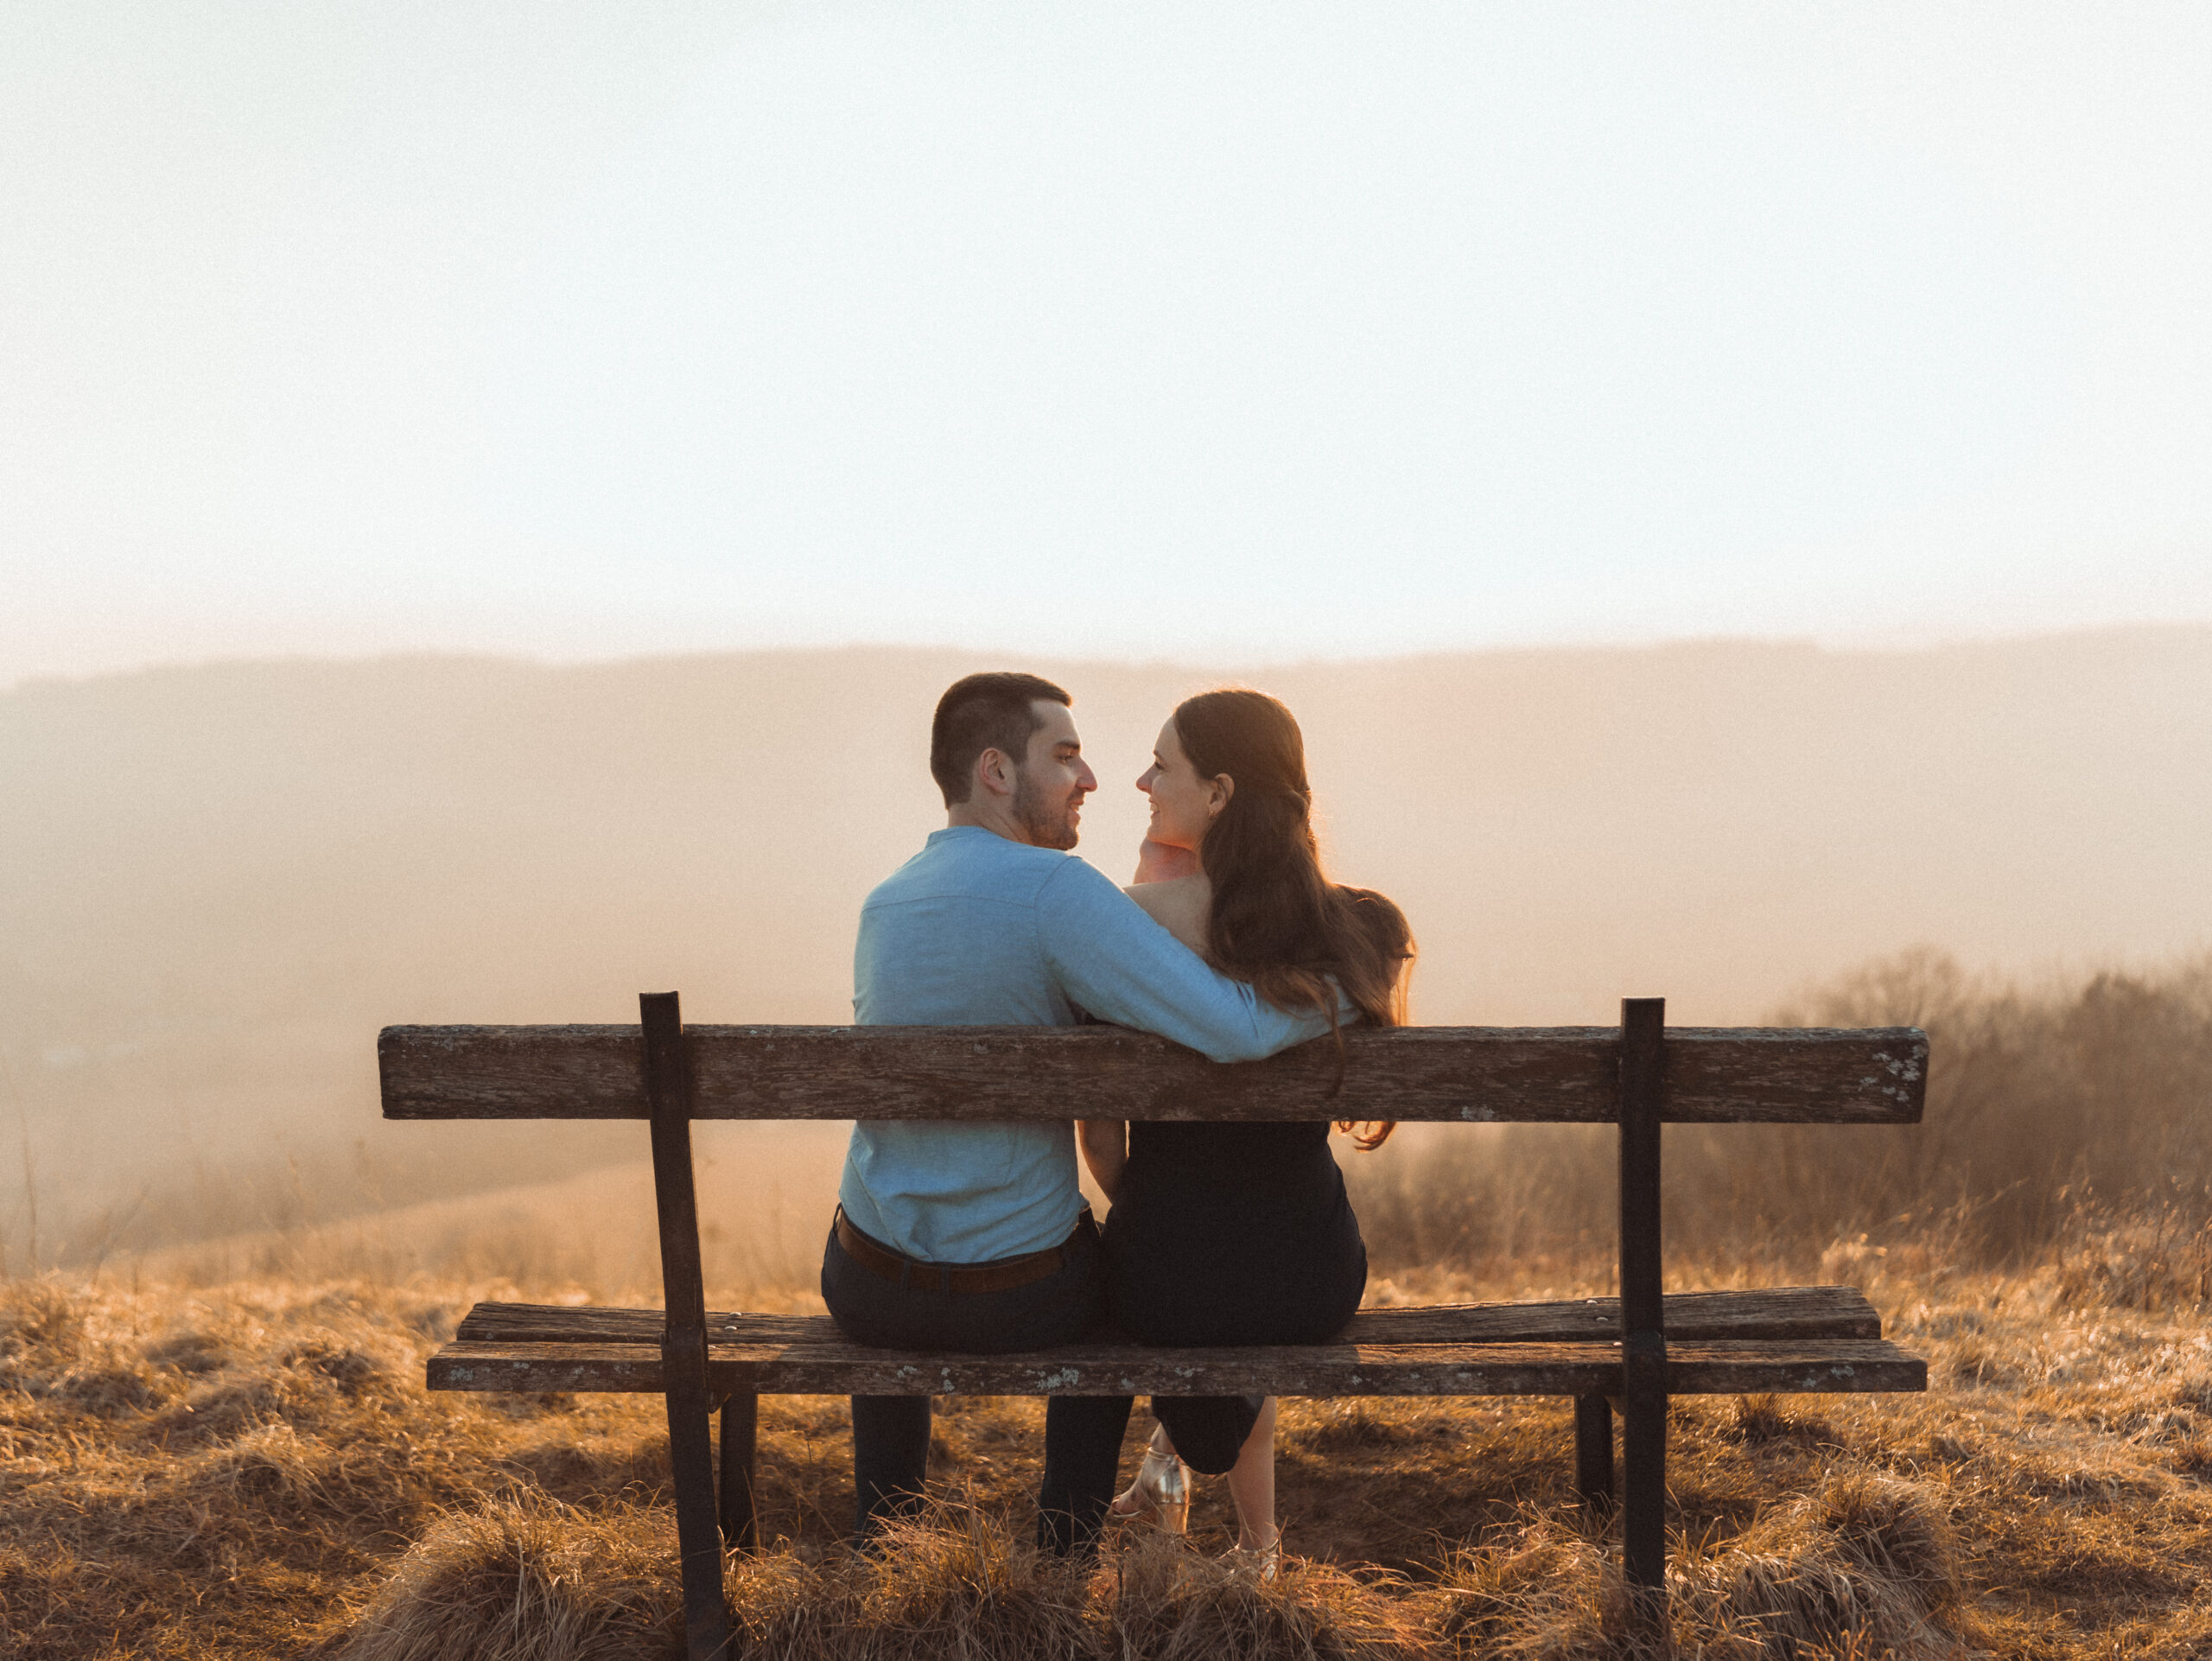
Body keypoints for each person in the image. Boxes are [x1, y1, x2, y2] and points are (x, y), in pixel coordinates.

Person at [824, 671, 1335, 1557]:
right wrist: (1342, 993)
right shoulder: (1057, 892)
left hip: (867, 1282)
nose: (1091, 777)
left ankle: (887, 1538)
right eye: (1063, 756)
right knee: (1116, 1284)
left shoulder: (884, 900)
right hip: (1020, 1296)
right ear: (994, 770)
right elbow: (1235, 1028)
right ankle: (1063, 1556)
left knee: (889, 1246)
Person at [1078, 688, 1413, 1573]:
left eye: (1164, 763)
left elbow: (1099, 1143)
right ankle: (1238, 1526)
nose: (1142, 779)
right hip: (1312, 1271)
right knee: (1242, 1235)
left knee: (1196, 1249)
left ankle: (1186, 1484)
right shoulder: (1363, 926)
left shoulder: (1125, 929)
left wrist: (1153, 1205)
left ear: (1220, 791)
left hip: (1163, 1279)